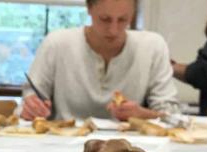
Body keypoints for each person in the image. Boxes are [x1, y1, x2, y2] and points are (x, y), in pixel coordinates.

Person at [20, 0, 179, 121]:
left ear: (133, 13)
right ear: (89, 8)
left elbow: (172, 115)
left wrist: (142, 114)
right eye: (105, 19)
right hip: (62, 142)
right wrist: (32, 107)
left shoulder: (152, 46)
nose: (113, 30)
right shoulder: (57, 43)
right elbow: (31, 98)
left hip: (130, 149)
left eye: (123, 19)